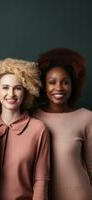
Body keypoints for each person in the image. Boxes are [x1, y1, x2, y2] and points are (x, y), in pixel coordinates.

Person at [0, 58, 50, 200]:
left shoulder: (38, 129)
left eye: (18, 88)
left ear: (25, 92)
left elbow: (41, 180)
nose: (11, 94)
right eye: (5, 87)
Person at [32, 48, 92, 200]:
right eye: (52, 82)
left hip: (80, 195)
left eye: (65, 82)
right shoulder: (32, 118)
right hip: (42, 195)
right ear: (43, 86)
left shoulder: (86, 117)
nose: (59, 88)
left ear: (73, 86)